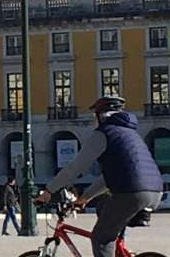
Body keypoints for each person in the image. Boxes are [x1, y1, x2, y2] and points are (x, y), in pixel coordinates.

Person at [35, 96, 163, 257]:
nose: (93, 121)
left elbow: (75, 167)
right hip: (154, 191)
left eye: (94, 116)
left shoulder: (104, 133)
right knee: (103, 207)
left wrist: (49, 190)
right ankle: (119, 248)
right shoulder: (129, 133)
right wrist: (85, 198)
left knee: (101, 238)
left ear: (100, 115)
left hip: (131, 193)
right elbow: (109, 177)